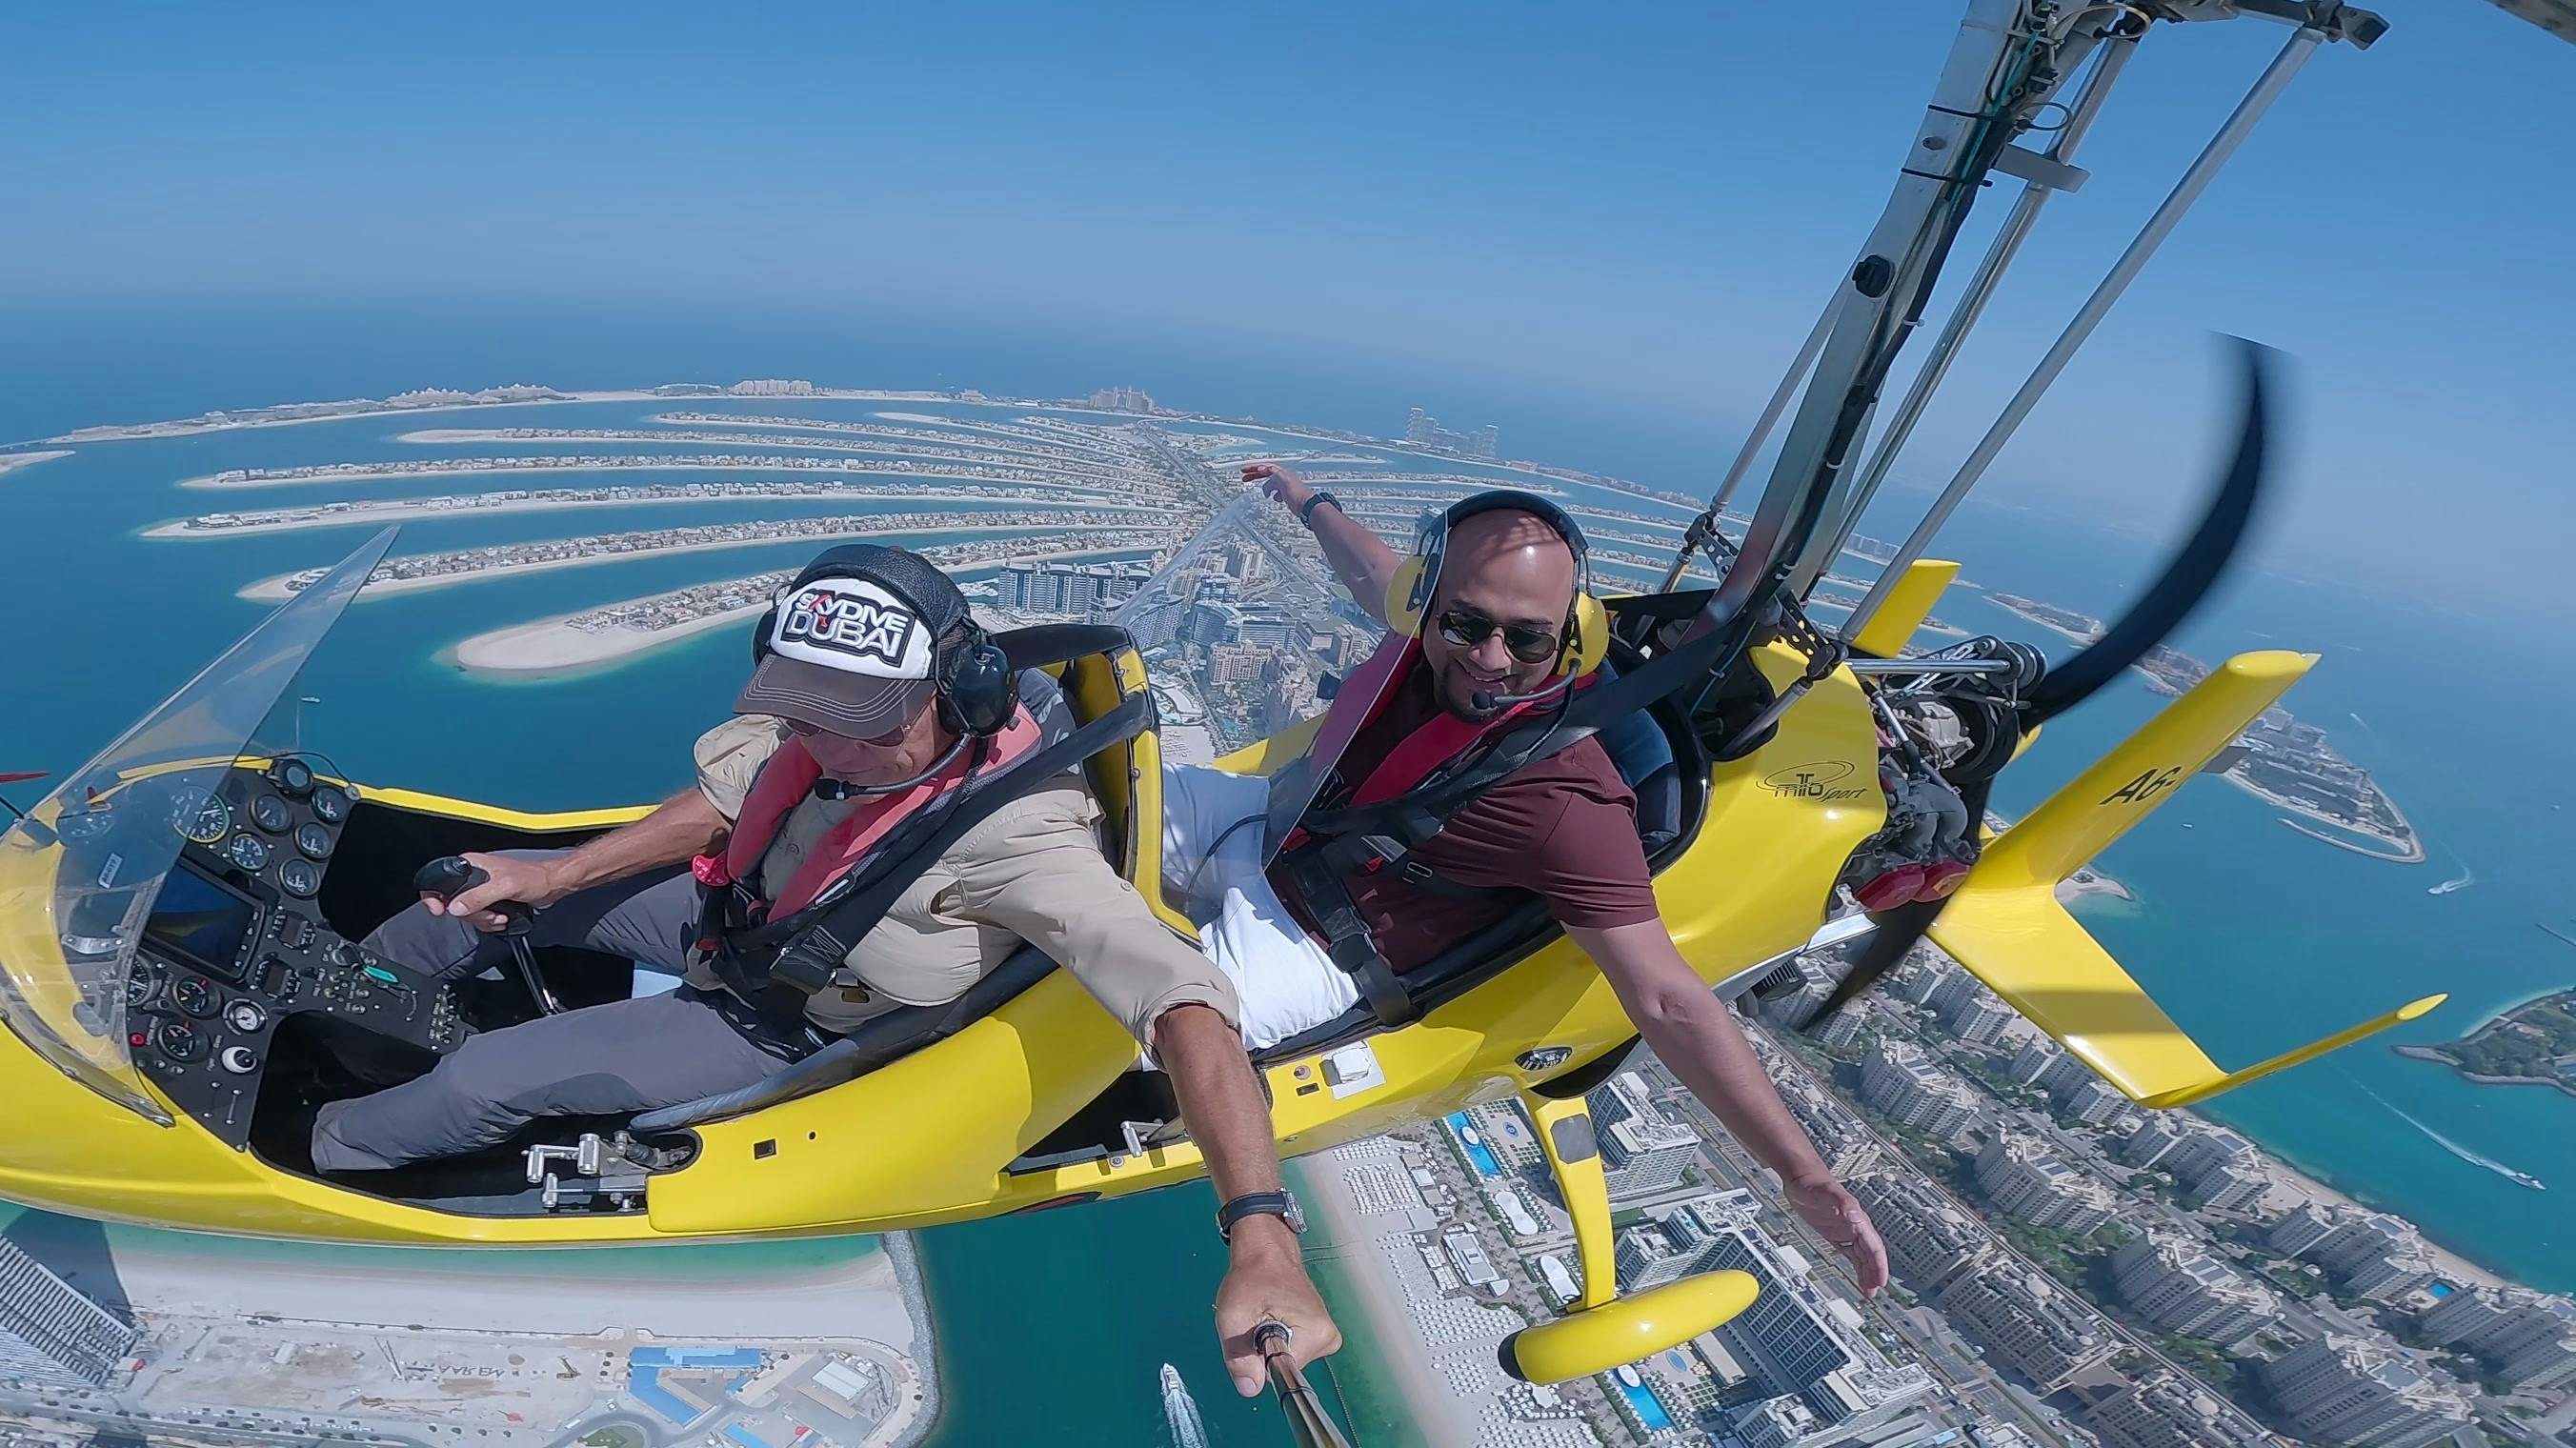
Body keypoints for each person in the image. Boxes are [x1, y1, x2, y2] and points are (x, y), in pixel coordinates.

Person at [315, 542, 1338, 1394]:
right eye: (810, 716)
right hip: (743, 919)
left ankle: (322, 1149)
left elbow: (1188, 1006)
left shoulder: (1026, 841)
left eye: (866, 725)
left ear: (959, 695)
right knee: (472, 903)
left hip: (779, 1017)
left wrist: (1260, 1233)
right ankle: (330, 1021)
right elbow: (734, 794)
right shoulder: (828, 719)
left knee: (483, 1079)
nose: (832, 746)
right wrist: (553, 875)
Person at [1164, 463, 1890, 1296]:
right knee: (1089, 786)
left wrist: (1802, 1174)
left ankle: (1262, 1237)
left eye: (1527, 640)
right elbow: (1367, 568)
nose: (1490, 657)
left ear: (1567, 640)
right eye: (1466, 624)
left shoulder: (1570, 805)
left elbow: (1667, 999)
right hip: (1272, 825)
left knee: (1155, 1026)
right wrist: (1302, 496)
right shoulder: (1425, 635)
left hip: (1319, 946)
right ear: (1430, 602)